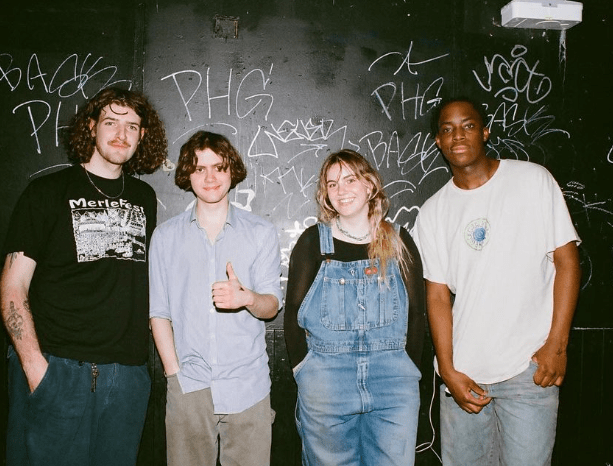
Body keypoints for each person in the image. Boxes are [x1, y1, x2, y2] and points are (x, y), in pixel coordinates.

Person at [1, 87, 168, 466]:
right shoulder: (46, 192)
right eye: (111, 122)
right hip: (58, 368)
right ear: (91, 127)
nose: (121, 134)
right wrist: (35, 368)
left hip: (126, 377)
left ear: (142, 135)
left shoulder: (143, 197)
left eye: (132, 126)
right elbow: (13, 285)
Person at [413, 97, 581, 465]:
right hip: (465, 377)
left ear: (485, 132)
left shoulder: (532, 180)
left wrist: (557, 345)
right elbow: (437, 297)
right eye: (447, 129)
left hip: (528, 370)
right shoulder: (432, 212)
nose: (458, 135)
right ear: (438, 141)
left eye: (468, 125)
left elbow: (567, 262)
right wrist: (448, 371)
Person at [149, 130, 282, 466]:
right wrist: (174, 375)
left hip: (248, 386)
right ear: (187, 174)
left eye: (219, 167)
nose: (210, 178)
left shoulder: (261, 233)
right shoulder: (165, 237)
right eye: (199, 168)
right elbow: (159, 313)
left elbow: (271, 305)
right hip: (189, 387)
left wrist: (247, 298)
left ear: (231, 171)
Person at [284, 149, 425, 466]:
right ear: (325, 194)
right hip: (327, 383)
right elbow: (292, 312)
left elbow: (417, 313)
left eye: (350, 180)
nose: (341, 190)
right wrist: (303, 370)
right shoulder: (312, 242)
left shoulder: (398, 241)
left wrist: (409, 369)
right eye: (332, 184)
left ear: (370, 185)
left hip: (393, 384)